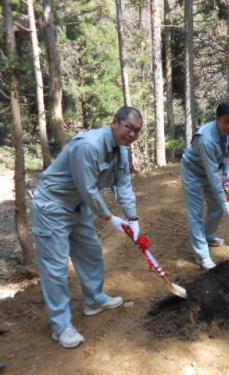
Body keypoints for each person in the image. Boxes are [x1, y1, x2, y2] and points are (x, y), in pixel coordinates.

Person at [31, 107, 142, 348]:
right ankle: (61, 327)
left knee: (91, 252)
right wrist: (109, 217)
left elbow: (123, 184)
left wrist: (133, 218)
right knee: (56, 269)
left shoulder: (122, 151)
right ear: (115, 122)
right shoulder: (88, 145)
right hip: (52, 207)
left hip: (78, 206)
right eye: (129, 128)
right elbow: (88, 188)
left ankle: (94, 300)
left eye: (137, 131)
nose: (132, 134)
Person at [181, 102, 229, 270]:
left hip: (212, 169)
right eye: (226, 122)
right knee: (196, 213)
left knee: (217, 207)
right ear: (217, 120)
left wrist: (227, 171)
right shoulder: (206, 139)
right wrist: (224, 200)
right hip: (193, 172)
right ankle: (202, 255)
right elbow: (213, 175)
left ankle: (208, 235)